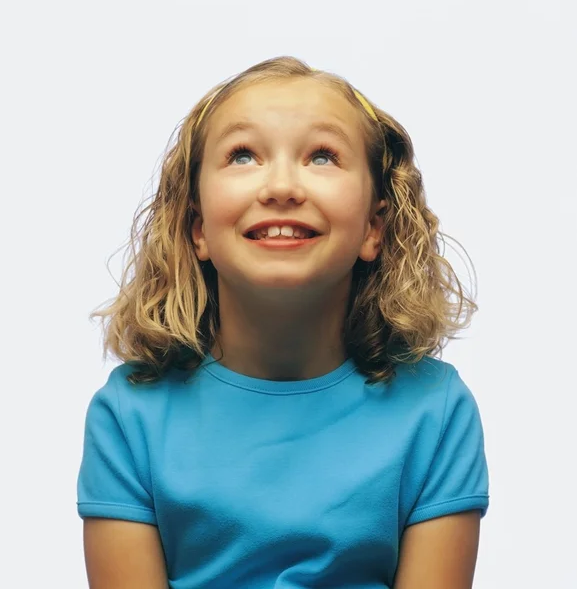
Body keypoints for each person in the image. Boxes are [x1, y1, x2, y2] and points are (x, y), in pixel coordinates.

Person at [77, 55, 490, 589]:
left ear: (374, 228)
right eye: (243, 155)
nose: (281, 186)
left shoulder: (436, 413)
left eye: (322, 156)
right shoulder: (128, 416)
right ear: (197, 228)